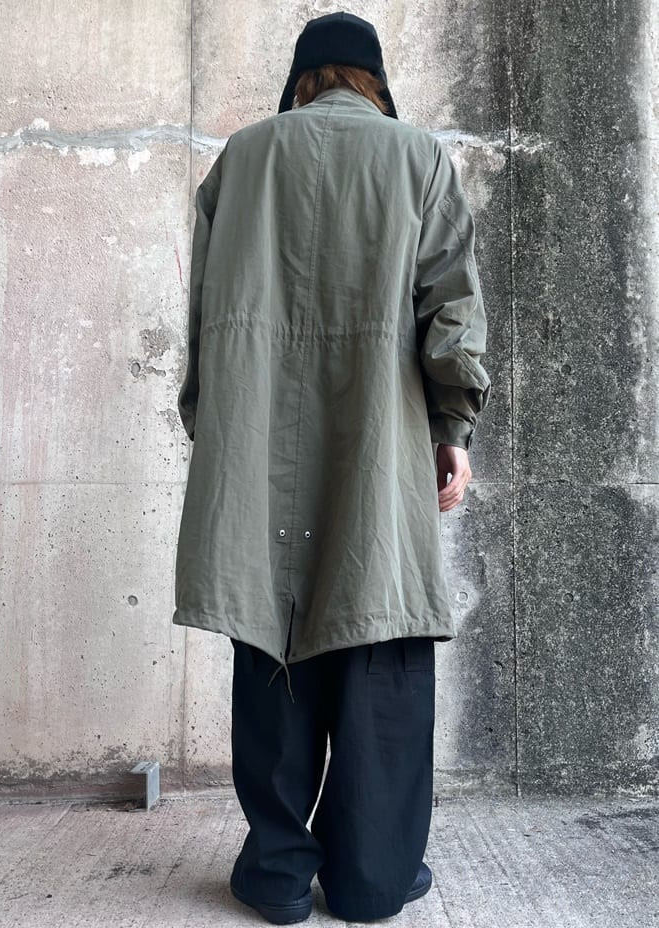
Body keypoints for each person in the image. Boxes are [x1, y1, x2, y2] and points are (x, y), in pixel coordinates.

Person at [172, 10, 492, 925]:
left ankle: (277, 878)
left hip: (256, 453)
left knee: (270, 637)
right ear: (374, 79)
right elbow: (451, 315)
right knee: (377, 639)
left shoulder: (242, 157)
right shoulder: (417, 157)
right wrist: (452, 428)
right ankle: (370, 879)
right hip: (377, 448)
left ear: (302, 78)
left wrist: (216, 431)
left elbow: (202, 318)